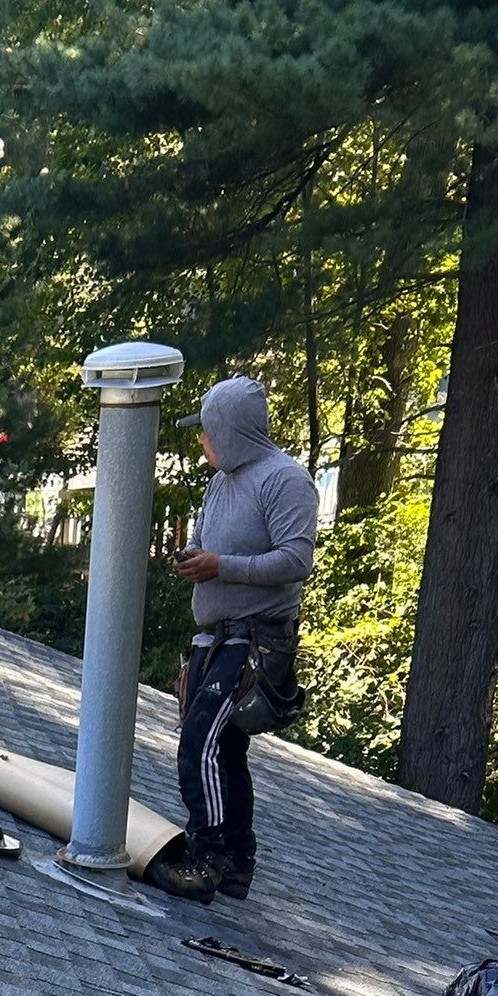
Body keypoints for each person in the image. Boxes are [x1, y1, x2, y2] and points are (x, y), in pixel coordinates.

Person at [146, 375, 319, 904]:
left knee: (199, 746)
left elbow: (296, 559)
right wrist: (197, 556)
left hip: (254, 643)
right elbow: (206, 538)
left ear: (233, 429)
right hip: (215, 639)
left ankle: (208, 858)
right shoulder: (221, 481)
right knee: (224, 749)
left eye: (207, 431)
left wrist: (222, 566)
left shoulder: (285, 480)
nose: (201, 440)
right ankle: (239, 863)